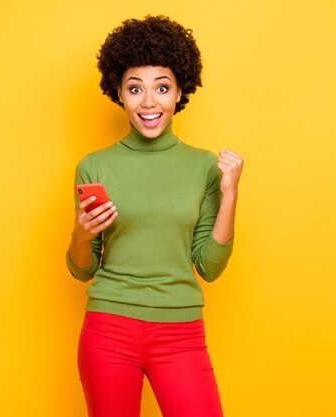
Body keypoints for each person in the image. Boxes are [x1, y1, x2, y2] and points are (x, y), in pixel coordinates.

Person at [65, 15, 244, 417]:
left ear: (180, 91)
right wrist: (80, 234)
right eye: (135, 89)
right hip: (107, 330)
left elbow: (209, 267)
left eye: (162, 88)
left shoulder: (202, 168)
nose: (149, 102)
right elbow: (82, 269)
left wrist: (230, 194)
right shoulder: (95, 166)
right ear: (119, 93)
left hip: (181, 335)